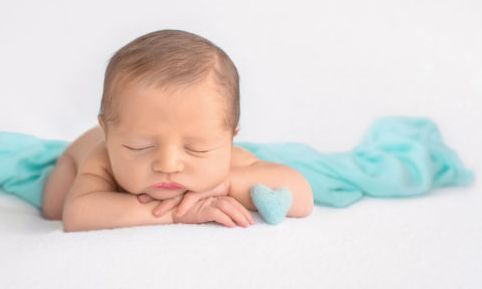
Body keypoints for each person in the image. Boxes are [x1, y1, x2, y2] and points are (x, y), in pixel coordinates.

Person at [41, 29, 313, 232]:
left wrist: (229, 184)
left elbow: (303, 198)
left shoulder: (231, 163)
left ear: (230, 139)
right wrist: (177, 214)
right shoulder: (101, 159)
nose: (168, 164)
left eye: (197, 148)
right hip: (75, 155)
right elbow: (77, 215)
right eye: (139, 146)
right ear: (108, 135)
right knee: (52, 208)